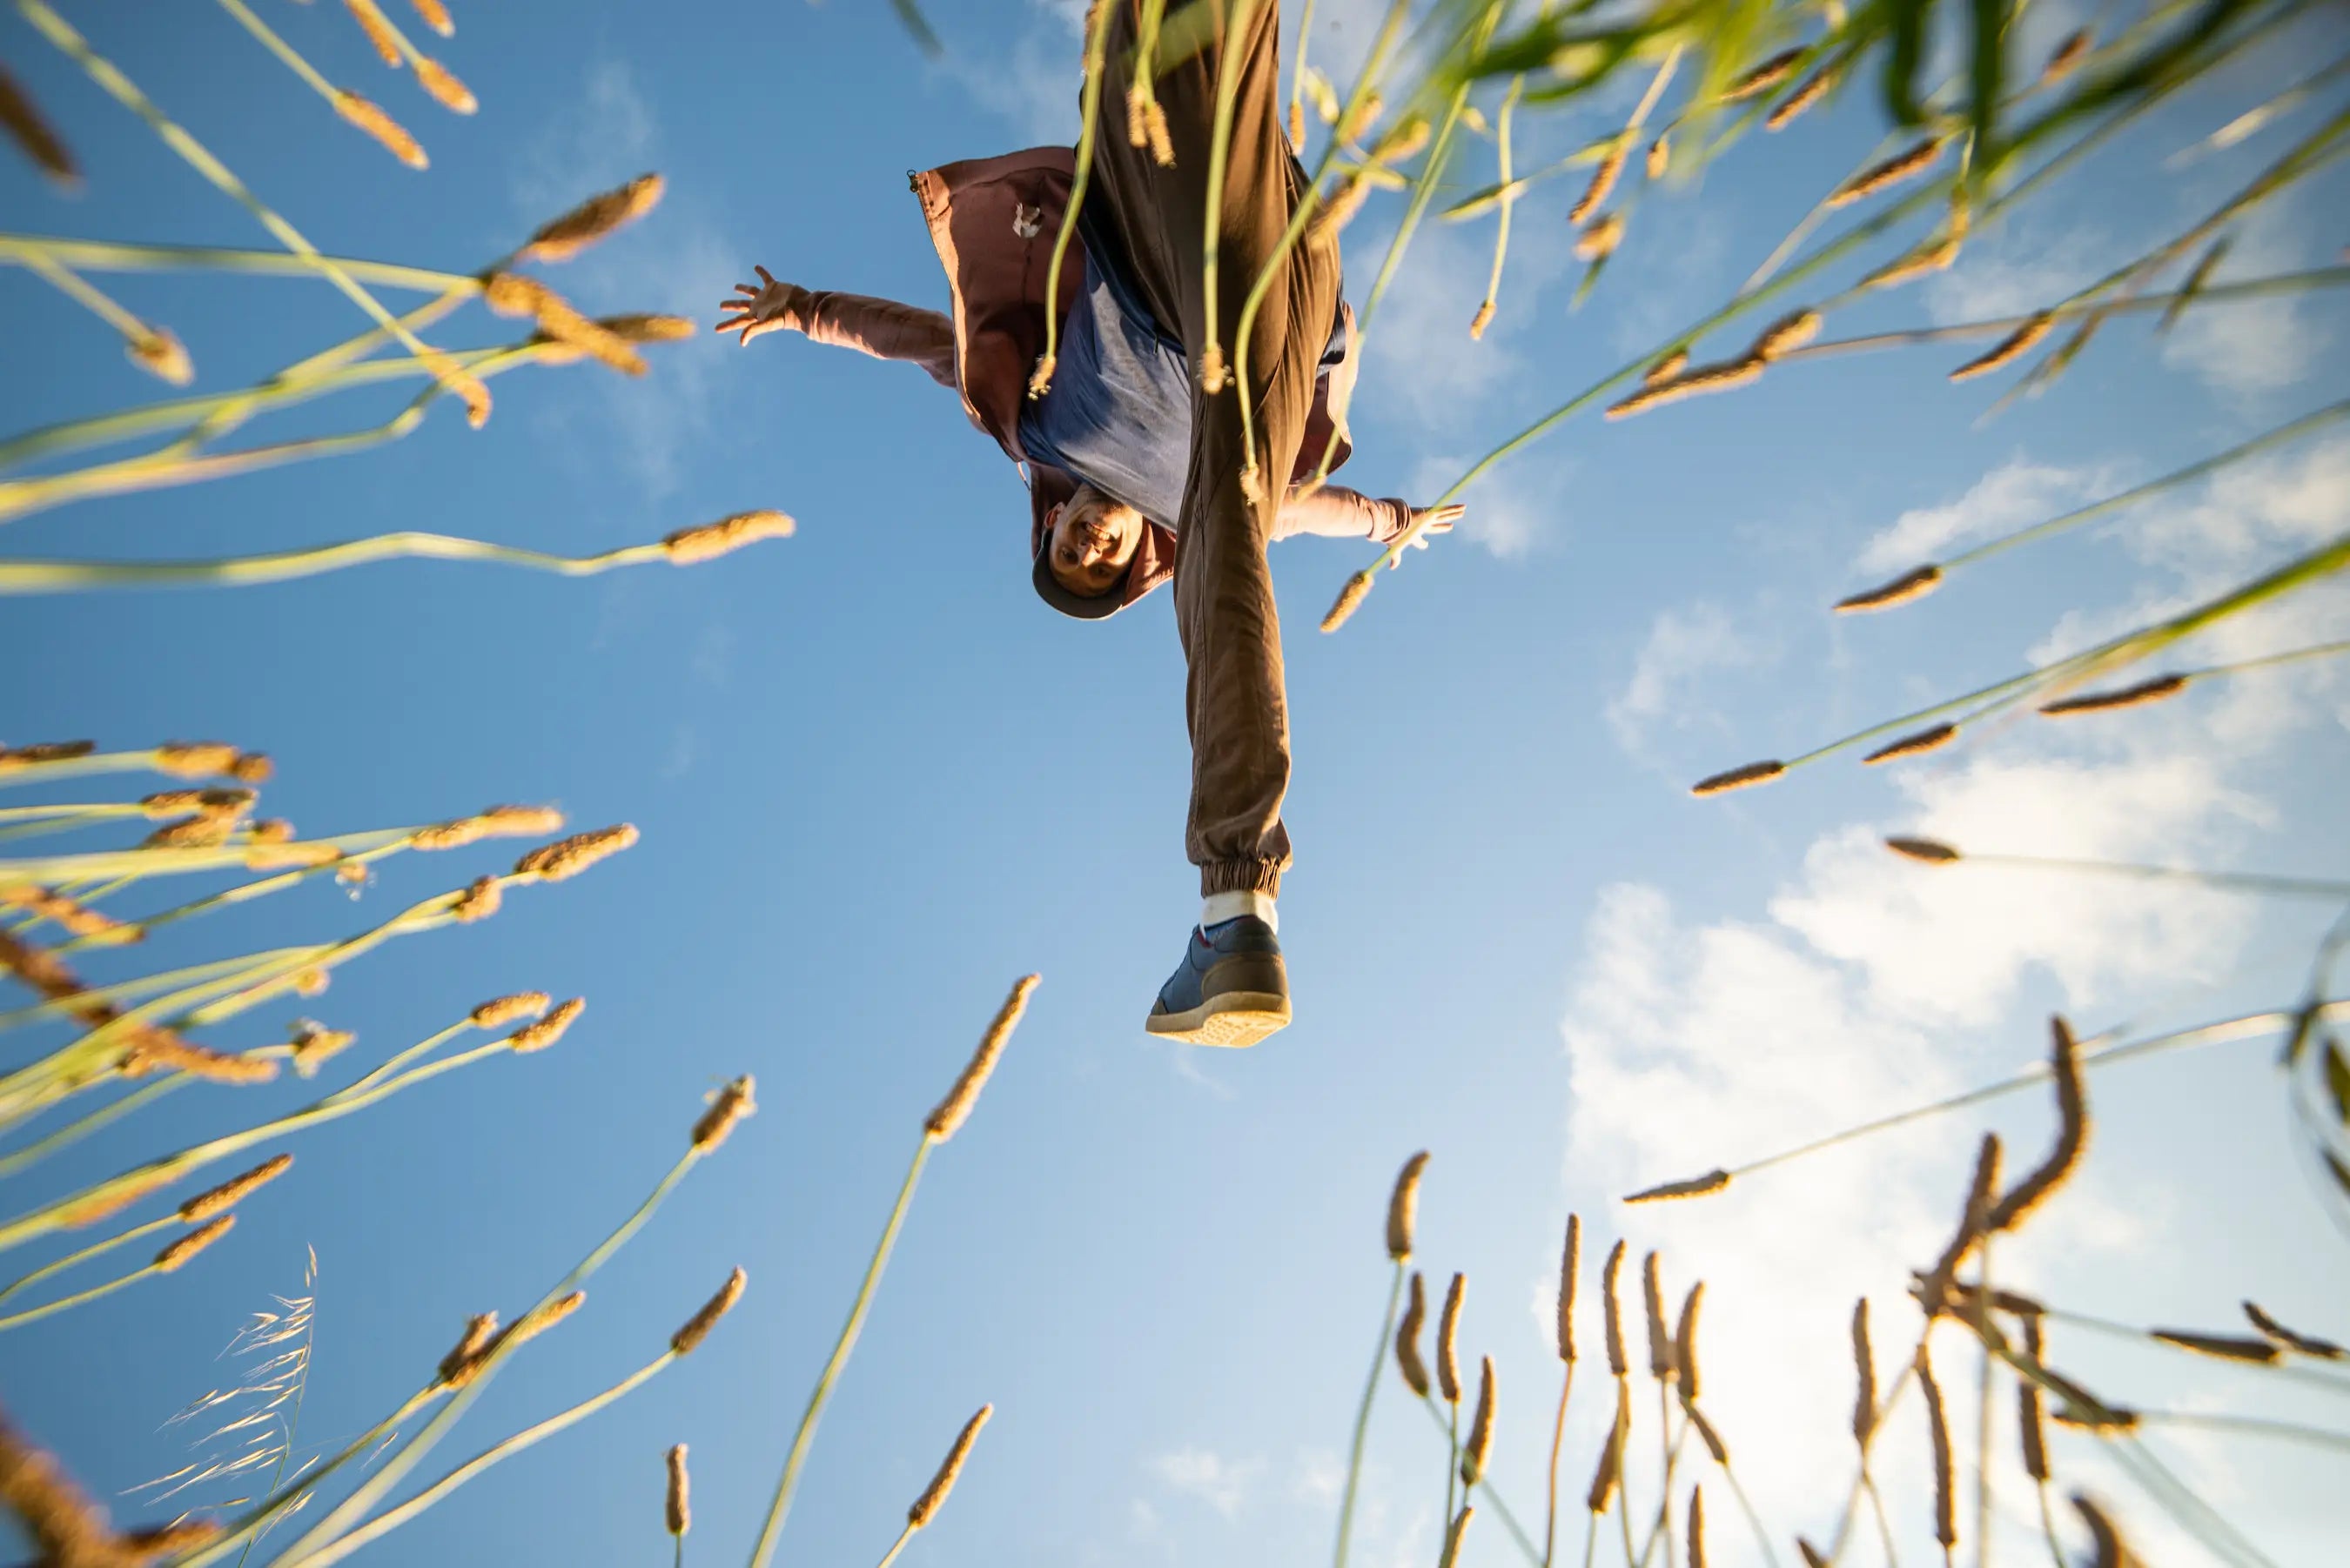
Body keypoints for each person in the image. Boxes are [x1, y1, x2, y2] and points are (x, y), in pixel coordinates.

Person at [715, 1, 1461, 1048]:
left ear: (1054, 520)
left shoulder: (1037, 430)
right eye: (1100, 568)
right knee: (1233, 526)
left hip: (1166, 263)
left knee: (1141, 66)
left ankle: (1229, 912)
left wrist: (801, 307)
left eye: (1067, 548)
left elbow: (920, 340)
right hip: (1284, 329)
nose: (1090, 547)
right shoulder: (1189, 515)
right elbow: (1314, 508)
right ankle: (1238, 900)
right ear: (1126, 565)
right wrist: (1393, 519)